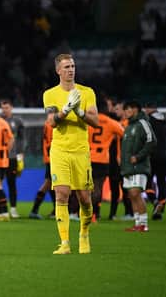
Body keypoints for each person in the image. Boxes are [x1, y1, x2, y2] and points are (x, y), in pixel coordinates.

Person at [43, 53, 99, 255]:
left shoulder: (87, 92)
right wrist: (66, 110)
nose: (71, 70)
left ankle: (84, 233)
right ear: (58, 70)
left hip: (80, 151)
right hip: (59, 150)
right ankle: (64, 243)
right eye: (66, 67)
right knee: (61, 193)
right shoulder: (50, 94)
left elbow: (96, 121)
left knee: (84, 198)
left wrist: (80, 112)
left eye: (73, 66)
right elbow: (52, 122)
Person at [121, 100, 156, 233]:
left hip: (139, 166)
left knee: (136, 192)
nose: (125, 112)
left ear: (135, 109)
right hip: (128, 167)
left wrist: (139, 156)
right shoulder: (129, 126)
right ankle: (137, 223)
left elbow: (152, 141)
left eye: (127, 109)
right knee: (132, 194)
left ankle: (144, 224)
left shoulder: (143, 123)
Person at [87, 103, 124, 222]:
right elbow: (124, 133)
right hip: (102, 159)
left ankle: (85, 213)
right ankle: (94, 215)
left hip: (87, 158)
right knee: (98, 187)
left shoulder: (88, 122)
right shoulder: (111, 122)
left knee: (86, 187)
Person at [143, 101, 166, 220]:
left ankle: (154, 202)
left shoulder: (148, 121)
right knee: (161, 182)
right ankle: (160, 208)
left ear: (148, 109)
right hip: (163, 155)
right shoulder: (164, 121)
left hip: (151, 156)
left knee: (147, 182)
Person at [0, 99, 25, 219]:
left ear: (11, 108)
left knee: (12, 183)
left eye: (7, 108)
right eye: (3, 108)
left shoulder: (17, 121)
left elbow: (22, 138)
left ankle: (13, 209)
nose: (4, 110)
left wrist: (21, 153)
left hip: (12, 157)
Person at [109, 99, 134, 221]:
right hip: (116, 162)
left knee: (125, 188)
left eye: (118, 109)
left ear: (124, 111)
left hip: (124, 162)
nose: (115, 111)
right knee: (115, 188)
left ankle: (129, 213)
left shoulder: (126, 125)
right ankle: (112, 214)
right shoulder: (119, 124)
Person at [29, 120, 55, 219]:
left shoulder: (47, 124)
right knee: (48, 184)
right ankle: (34, 211)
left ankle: (55, 211)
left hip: (49, 157)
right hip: (55, 157)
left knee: (51, 184)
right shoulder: (54, 124)